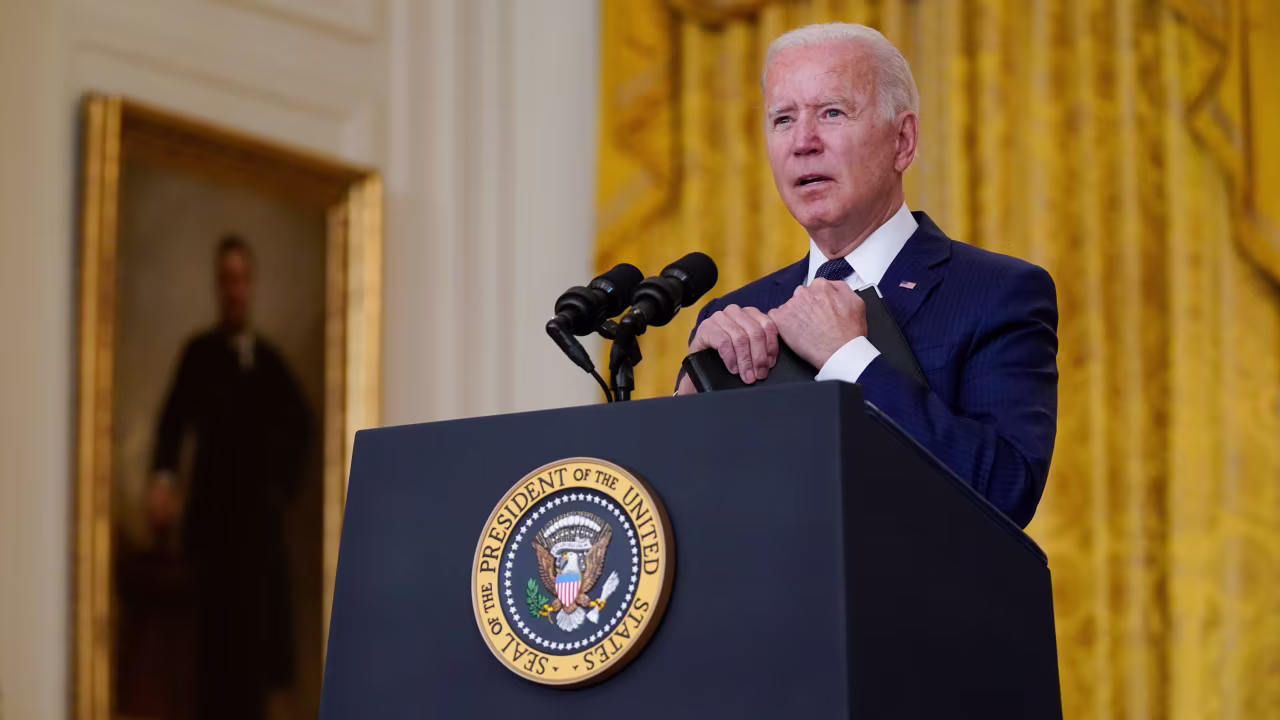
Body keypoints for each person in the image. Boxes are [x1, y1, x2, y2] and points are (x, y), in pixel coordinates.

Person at [677, 23, 1058, 528]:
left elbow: (1005, 490)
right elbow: (696, 514)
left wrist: (849, 358)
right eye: (783, 119)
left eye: (832, 113)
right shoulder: (736, 317)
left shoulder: (998, 292)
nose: (803, 142)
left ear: (902, 141)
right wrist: (689, 400)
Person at [147, 235, 310, 720]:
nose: (235, 290)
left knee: (252, 666)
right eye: (226, 280)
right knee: (210, 662)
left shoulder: (271, 363)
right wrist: (163, 480)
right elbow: (171, 424)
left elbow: (302, 425)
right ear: (218, 287)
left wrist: (280, 486)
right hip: (212, 534)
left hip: (258, 541)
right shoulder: (198, 355)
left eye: (241, 279)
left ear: (251, 286)